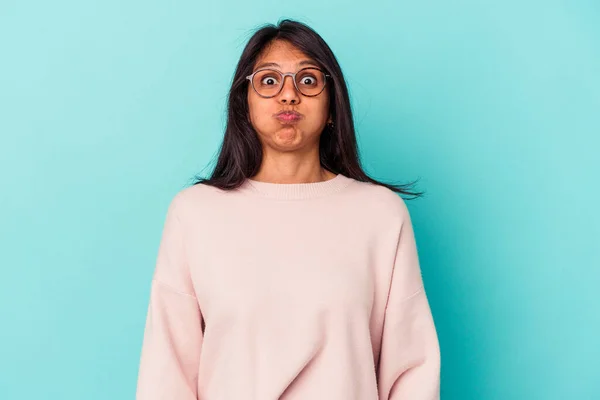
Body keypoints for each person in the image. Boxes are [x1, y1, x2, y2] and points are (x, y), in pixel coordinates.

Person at [135, 18, 440, 400]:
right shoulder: (194, 214)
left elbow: (411, 369)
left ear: (332, 106)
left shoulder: (380, 214)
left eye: (308, 80)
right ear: (244, 104)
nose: (288, 96)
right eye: (268, 81)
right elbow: (167, 372)